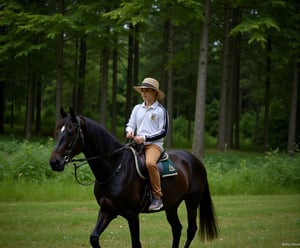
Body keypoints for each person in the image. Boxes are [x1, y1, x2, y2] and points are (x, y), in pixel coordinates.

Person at [126, 77, 169, 211]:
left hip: (154, 145)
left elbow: (163, 131)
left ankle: (157, 197)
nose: (144, 93)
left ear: (155, 93)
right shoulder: (137, 108)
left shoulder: (160, 110)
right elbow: (131, 124)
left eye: (147, 91)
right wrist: (129, 131)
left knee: (150, 163)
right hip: (137, 143)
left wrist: (144, 138)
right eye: (142, 90)